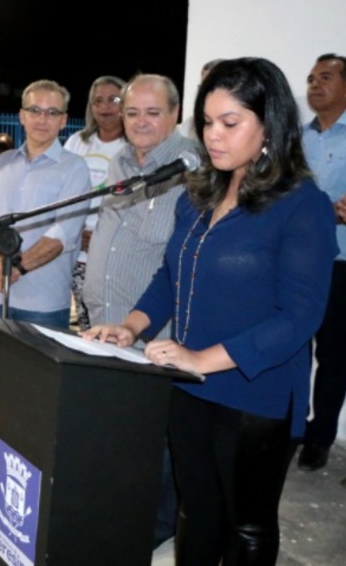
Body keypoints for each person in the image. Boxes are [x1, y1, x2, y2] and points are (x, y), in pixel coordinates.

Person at [83, 57, 338, 565]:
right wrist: (130, 326)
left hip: (255, 393)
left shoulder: (301, 203)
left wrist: (203, 357)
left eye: (230, 123)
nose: (213, 136)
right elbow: (170, 275)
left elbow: (301, 316)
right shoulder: (199, 194)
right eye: (206, 123)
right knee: (195, 512)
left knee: (246, 524)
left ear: (270, 126)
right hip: (190, 387)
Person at [82, 73, 198, 547]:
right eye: (132, 112)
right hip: (104, 320)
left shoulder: (194, 170)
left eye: (153, 112)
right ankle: (118, 506)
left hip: (155, 327)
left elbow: (178, 263)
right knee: (116, 427)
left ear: (174, 114)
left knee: (159, 437)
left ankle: (157, 525)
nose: (141, 122)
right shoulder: (120, 162)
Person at [0, 79, 91, 470]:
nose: (42, 119)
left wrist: (16, 265)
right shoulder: (1, 165)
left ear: (64, 120)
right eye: (35, 110)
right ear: (21, 115)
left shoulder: (74, 169)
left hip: (43, 299)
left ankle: (30, 455)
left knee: (39, 384)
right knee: (0, 376)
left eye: (52, 112)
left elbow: (62, 234)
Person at [298, 53, 346, 471]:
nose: (315, 85)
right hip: (295, 259)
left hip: (339, 262)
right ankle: (292, 427)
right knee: (292, 344)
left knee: (333, 355)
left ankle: (320, 436)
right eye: (311, 78)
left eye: (326, 78)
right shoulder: (298, 137)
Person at [63, 75, 127, 329]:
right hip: (76, 248)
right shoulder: (77, 142)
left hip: (113, 254)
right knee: (86, 325)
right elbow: (63, 194)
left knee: (112, 327)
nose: (105, 107)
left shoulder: (134, 146)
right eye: (98, 101)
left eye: (114, 99)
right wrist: (75, 231)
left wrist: (100, 237)